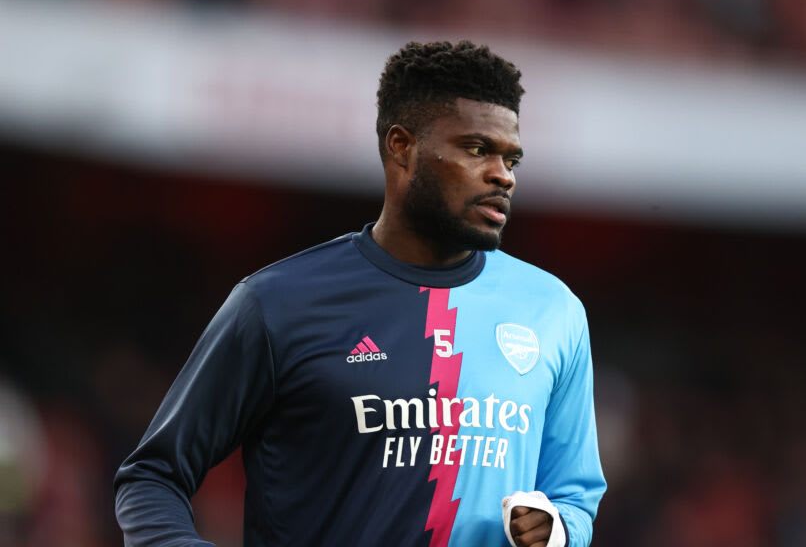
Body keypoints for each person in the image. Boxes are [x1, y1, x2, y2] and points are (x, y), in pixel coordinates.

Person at [115, 40, 606, 547]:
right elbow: (153, 474)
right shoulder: (278, 303)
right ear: (401, 146)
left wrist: (559, 530)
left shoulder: (554, 311)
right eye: (477, 149)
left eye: (512, 159)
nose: (503, 175)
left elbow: (575, 497)